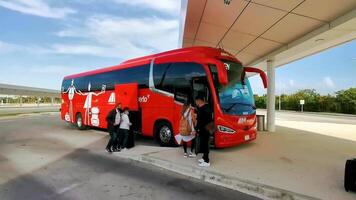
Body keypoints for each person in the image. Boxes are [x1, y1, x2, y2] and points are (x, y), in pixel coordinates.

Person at [195, 96, 213, 167]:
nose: (196, 103)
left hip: (204, 129)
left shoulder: (201, 109)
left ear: (199, 100)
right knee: (204, 144)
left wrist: (196, 129)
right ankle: (204, 157)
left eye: (196, 101)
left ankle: (207, 161)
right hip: (209, 128)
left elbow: (199, 121)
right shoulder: (207, 107)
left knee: (205, 145)